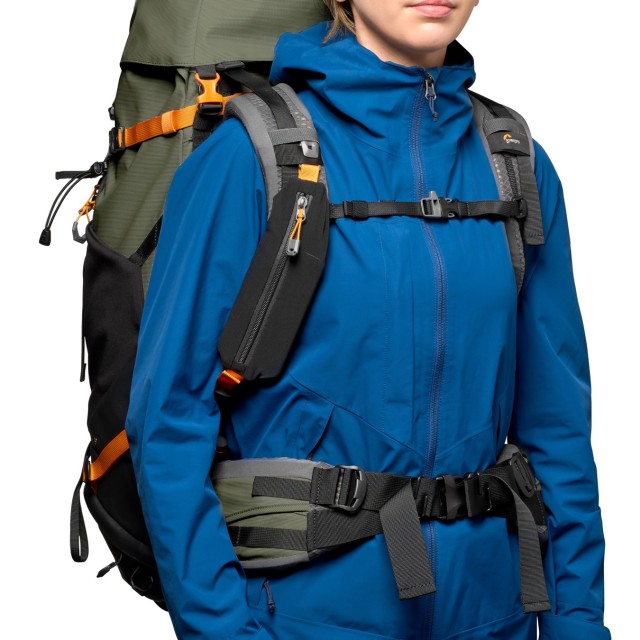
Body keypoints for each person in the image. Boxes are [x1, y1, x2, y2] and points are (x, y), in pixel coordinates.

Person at [125, 1, 610, 638]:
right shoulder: (248, 158)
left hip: (495, 617)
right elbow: (169, 420)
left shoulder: (514, 165)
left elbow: (558, 429)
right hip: (304, 621)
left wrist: (578, 622)